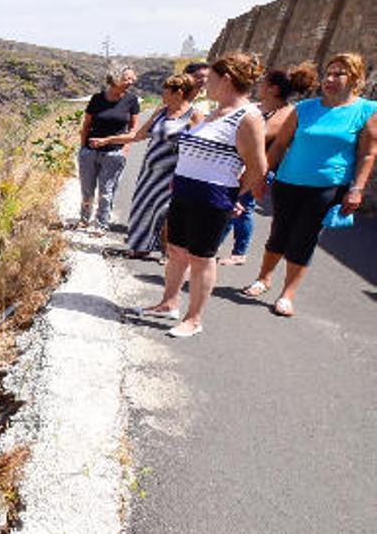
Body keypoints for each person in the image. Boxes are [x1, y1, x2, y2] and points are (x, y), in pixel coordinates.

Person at [131, 52, 268, 337]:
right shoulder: (213, 113)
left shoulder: (248, 117)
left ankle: (194, 319)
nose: (205, 85)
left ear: (226, 79)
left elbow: (258, 167)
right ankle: (168, 303)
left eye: (212, 79)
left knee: (201, 258)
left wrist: (234, 195)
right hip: (183, 190)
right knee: (176, 250)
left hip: (213, 197)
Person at [242, 53, 377, 317]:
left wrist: (357, 189)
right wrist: (261, 177)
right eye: (329, 72)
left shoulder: (366, 111)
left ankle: (287, 294)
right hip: (287, 182)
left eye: (339, 73)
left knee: (304, 238)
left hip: (327, 188)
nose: (330, 78)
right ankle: (263, 278)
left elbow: (368, 154)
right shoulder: (304, 108)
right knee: (279, 233)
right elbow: (280, 145)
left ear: (356, 78)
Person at [216, 62, 319, 266]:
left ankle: (239, 252)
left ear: (274, 88)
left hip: (260, 167)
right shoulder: (257, 107)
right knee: (230, 205)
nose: (259, 85)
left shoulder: (286, 113)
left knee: (243, 208)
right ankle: (216, 243)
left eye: (264, 83)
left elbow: (261, 137)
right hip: (238, 163)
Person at [90, 74, 203, 258]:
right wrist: (107, 140)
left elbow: (200, 148)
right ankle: (141, 248)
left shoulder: (194, 115)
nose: (162, 95)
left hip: (173, 174)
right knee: (144, 208)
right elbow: (138, 136)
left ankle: (168, 255)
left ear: (178, 93)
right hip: (150, 172)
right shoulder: (161, 111)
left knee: (167, 213)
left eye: (165, 92)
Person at [78, 66, 140, 235]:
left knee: (106, 192)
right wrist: (83, 149)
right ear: (115, 79)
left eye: (132, 79)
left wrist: (125, 150)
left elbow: (133, 130)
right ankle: (84, 218)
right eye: (127, 78)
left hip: (114, 154)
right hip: (90, 152)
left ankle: (101, 224)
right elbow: (86, 125)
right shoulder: (97, 99)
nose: (131, 82)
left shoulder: (132, 100)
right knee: (87, 190)